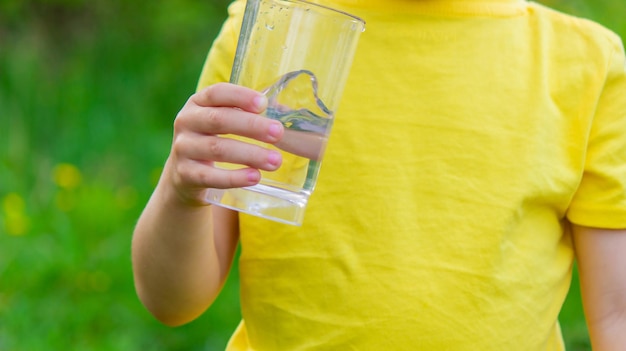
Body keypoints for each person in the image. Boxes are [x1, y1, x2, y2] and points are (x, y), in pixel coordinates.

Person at [131, 0, 626, 349]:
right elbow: (173, 301)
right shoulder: (270, 33)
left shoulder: (585, 64)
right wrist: (181, 191)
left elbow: (616, 315)